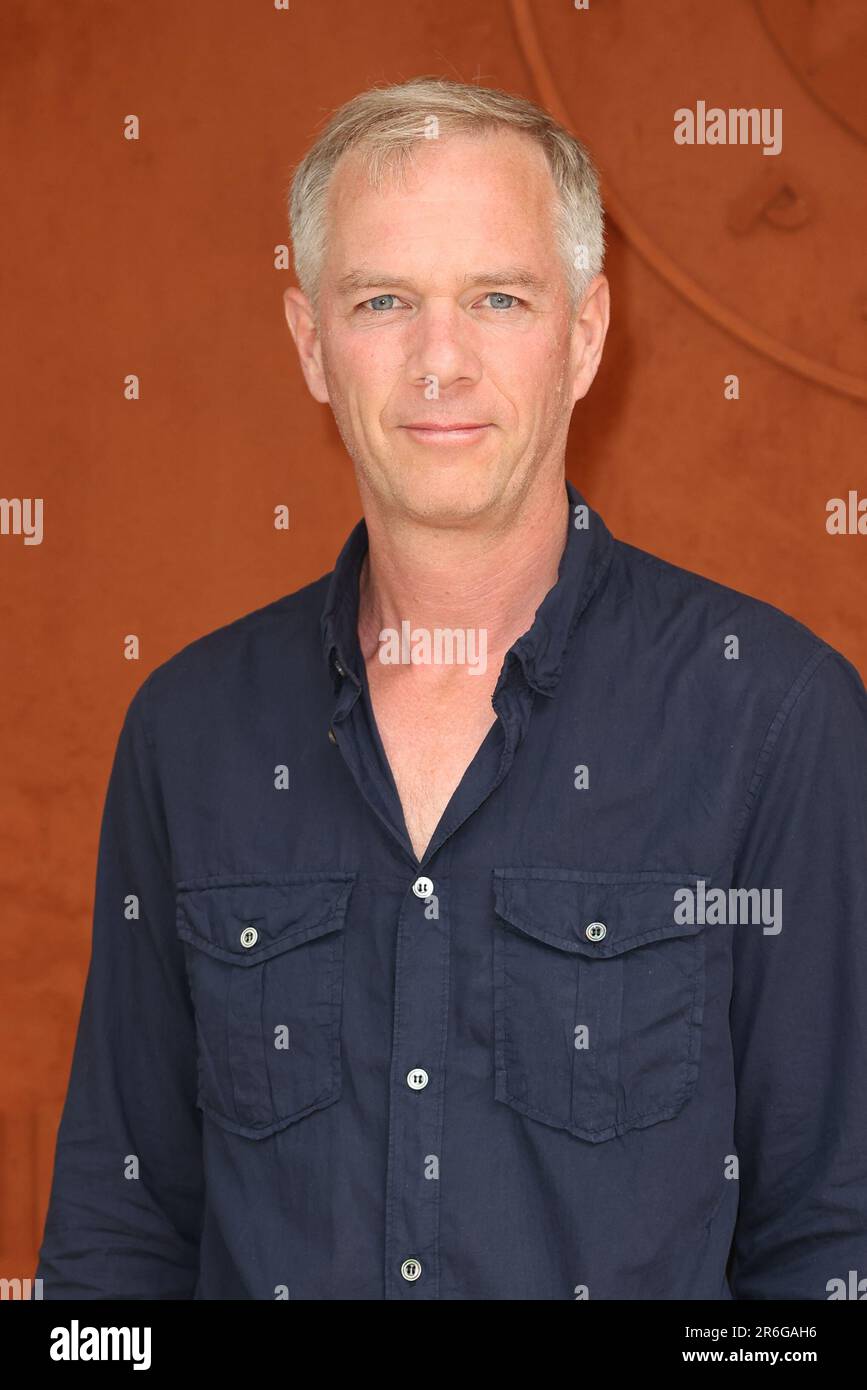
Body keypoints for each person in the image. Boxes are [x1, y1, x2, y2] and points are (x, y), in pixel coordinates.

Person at [36, 75, 867, 1300]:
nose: (440, 361)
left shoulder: (776, 717)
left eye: (498, 298)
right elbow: (118, 1245)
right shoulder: (187, 733)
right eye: (384, 300)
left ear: (584, 336)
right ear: (311, 343)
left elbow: (831, 1247)